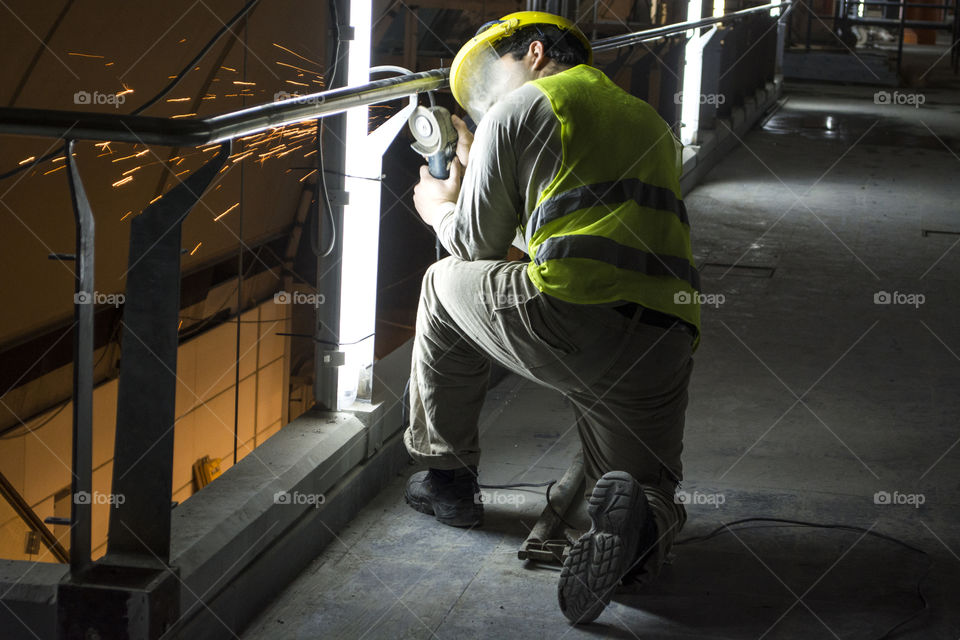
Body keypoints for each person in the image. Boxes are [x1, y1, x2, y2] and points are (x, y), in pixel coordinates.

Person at [402, 11, 700, 624]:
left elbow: (475, 249)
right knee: (637, 485)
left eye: (487, 86)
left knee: (441, 284)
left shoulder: (522, 108)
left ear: (534, 53)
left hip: (570, 317)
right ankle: (640, 533)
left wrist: (439, 205)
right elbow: (579, 225)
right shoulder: (649, 119)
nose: (486, 108)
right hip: (664, 338)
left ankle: (447, 478)